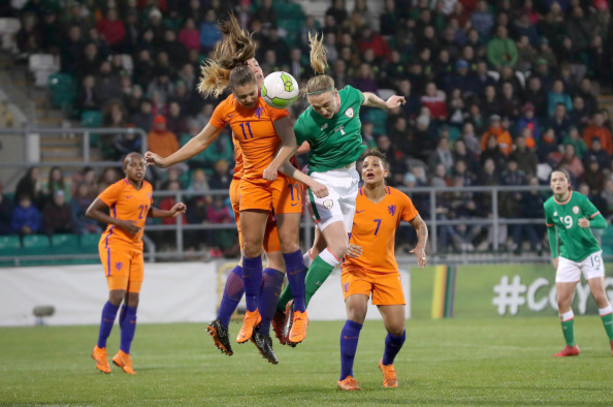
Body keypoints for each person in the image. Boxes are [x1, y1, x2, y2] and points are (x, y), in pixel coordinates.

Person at [145, 14, 328, 361]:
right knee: (259, 254)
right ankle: (256, 320)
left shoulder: (275, 100)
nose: (259, 70)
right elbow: (201, 140)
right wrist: (167, 161)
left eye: (259, 67)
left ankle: (257, 321)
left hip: (279, 178)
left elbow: (290, 139)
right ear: (237, 81)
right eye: (253, 66)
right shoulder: (233, 107)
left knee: (276, 254)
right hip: (249, 183)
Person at [272, 32, 406, 346]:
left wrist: (385, 105)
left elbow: (367, 97)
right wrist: (311, 181)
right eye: (317, 108)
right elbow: (283, 162)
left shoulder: (349, 96)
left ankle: (279, 306)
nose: (324, 111)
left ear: (335, 93)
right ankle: (298, 311)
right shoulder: (305, 122)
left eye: (327, 104)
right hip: (324, 183)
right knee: (340, 249)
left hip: (350, 183)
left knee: (320, 252)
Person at [87, 152, 186, 374]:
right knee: (117, 296)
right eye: (133, 165)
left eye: (142, 164)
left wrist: (170, 212)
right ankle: (100, 349)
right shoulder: (117, 188)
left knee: (133, 300)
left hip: (136, 247)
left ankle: (124, 354)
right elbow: (91, 211)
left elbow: (147, 210)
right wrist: (121, 223)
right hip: (115, 244)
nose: (139, 168)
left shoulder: (148, 187)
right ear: (126, 169)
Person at [337, 151, 428, 391]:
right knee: (356, 310)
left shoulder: (399, 199)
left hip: (386, 271)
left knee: (397, 329)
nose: (368, 168)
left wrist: (421, 245)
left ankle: (386, 363)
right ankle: (346, 377)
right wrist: (342, 245)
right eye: (364, 165)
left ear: (385, 172)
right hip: (355, 268)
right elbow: (330, 228)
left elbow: (420, 224)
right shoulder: (350, 199)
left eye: (374, 165)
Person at [543, 168, 613, 358]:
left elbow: (603, 222)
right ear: (550, 184)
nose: (557, 183)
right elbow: (551, 230)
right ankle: (571, 346)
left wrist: (590, 223)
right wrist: (555, 255)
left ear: (568, 183)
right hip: (567, 256)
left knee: (599, 295)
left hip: (589, 253)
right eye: (554, 180)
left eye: (561, 179)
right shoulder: (548, 206)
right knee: (562, 300)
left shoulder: (580, 200)